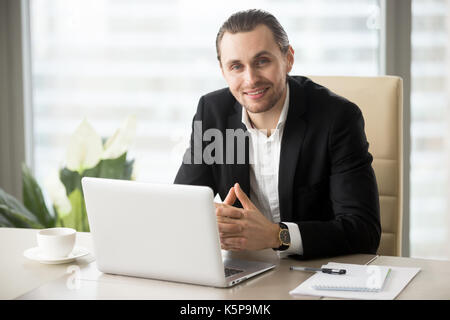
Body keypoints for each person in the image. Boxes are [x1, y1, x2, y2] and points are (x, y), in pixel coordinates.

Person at [174, 9, 381, 259]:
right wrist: (210, 220)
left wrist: (277, 235)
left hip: (315, 271)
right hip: (243, 271)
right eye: (236, 66)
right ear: (223, 70)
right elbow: (181, 207)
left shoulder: (336, 118)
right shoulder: (212, 114)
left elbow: (364, 232)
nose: (250, 79)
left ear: (288, 59)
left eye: (262, 61)